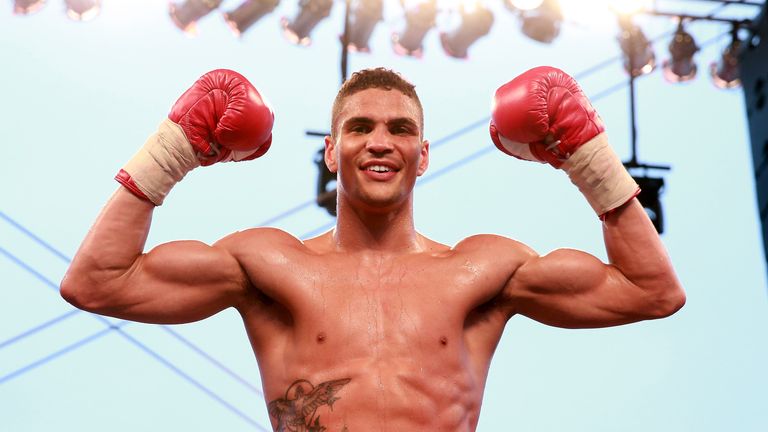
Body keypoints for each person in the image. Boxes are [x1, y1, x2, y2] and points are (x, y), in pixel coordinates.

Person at [60, 66, 685, 431]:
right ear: (332, 152)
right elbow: (97, 283)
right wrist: (173, 147)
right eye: (359, 128)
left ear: (423, 155)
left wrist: (589, 156)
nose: (379, 142)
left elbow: (652, 291)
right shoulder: (267, 263)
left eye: (400, 129)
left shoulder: (485, 267)